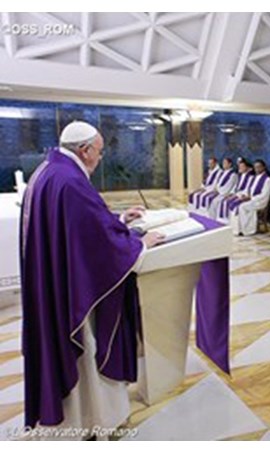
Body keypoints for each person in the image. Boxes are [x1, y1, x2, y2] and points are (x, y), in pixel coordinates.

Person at [20, 121, 165, 437]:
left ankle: (78, 420)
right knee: (88, 346)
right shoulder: (70, 181)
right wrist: (140, 243)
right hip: (74, 290)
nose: (100, 158)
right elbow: (95, 242)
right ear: (84, 150)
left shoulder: (49, 172)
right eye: (98, 152)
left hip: (56, 283)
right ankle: (96, 419)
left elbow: (79, 227)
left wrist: (118, 219)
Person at [229, 159, 270, 236]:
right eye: (256, 167)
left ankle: (248, 230)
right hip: (252, 199)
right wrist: (244, 196)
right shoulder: (255, 178)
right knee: (235, 204)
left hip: (260, 201)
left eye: (259, 167)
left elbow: (264, 194)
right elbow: (249, 190)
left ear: (264, 167)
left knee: (242, 207)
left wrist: (250, 198)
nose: (257, 169)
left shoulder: (267, 179)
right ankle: (238, 229)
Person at [216, 159, 253, 223]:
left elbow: (248, 189)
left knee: (230, 202)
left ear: (247, 167)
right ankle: (224, 220)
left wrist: (239, 195)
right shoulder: (240, 176)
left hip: (243, 195)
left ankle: (231, 222)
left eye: (242, 167)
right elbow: (235, 187)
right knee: (224, 201)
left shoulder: (250, 177)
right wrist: (231, 193)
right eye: (239, 167)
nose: (240, 168)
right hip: (237, 194)